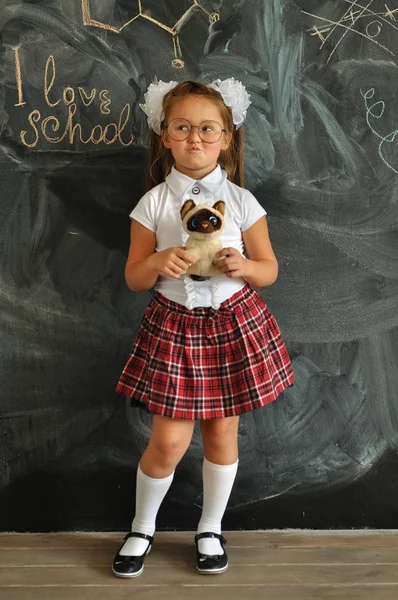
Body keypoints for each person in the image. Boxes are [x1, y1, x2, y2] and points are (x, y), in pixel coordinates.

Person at [112, 78, 295, 578]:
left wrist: (245, 267)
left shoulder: (240, 200)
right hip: (174, 327)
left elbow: (270, 269)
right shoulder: (152, 203)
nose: (196, 139)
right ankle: (142, 526)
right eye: (183, 128)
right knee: (169, 441)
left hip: (234, 324)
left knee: (220, 433)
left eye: (208, 129)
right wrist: (157, 261)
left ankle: (210, 528)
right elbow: (133, 276)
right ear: (165, 135)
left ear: (227, 136)